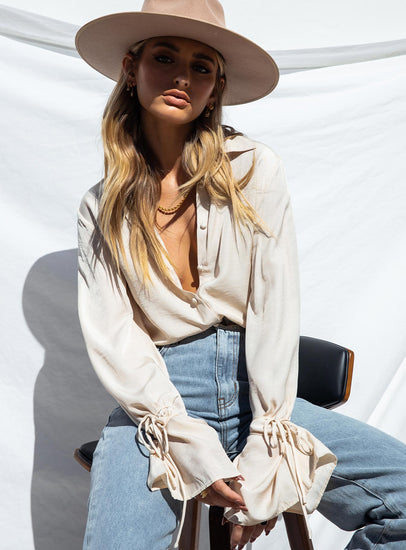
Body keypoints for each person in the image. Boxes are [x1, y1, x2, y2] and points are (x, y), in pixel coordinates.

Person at [75, 1, 406, 549]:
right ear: (131, 68)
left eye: (201, 66)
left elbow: (275, 306)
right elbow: (114, 335)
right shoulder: (100, 206)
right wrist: (187, 444)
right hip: (160, 402)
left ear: (216, 87)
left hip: (258, 390)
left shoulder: (252, 169)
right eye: (164, 57)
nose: (183, 77)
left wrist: (270, 445)